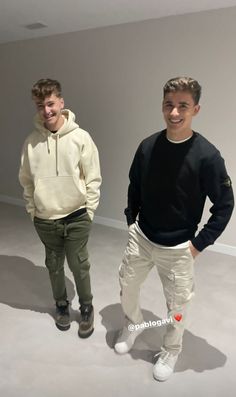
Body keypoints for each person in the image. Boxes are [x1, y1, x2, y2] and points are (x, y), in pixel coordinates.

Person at [114, 77, 234, 381]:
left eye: (183, 106)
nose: (175, 112)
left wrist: (197, 245)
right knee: (127, 287)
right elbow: (135, 186)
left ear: (196, 108)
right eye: (169, 105)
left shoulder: (207, 156)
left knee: (177, 307)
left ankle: (171, 348)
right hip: (141, 237)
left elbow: (225, 204)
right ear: (162, 106)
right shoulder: (148, 146)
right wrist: (131, 221)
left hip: (179, 247)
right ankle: (133, 324)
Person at [19, 78, 101, 338]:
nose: (47, 110)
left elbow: (93, 177)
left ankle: (86, 306)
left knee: (79, 264)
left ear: (61, 103)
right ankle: (61, 305)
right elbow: (26, 180)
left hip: (77, 215)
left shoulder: (81, 137)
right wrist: (33, 210)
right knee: (53, 265)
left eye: (51, 103)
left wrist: (89, 211)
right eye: (40, 105)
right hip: (45, 218)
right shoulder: (31, 142)